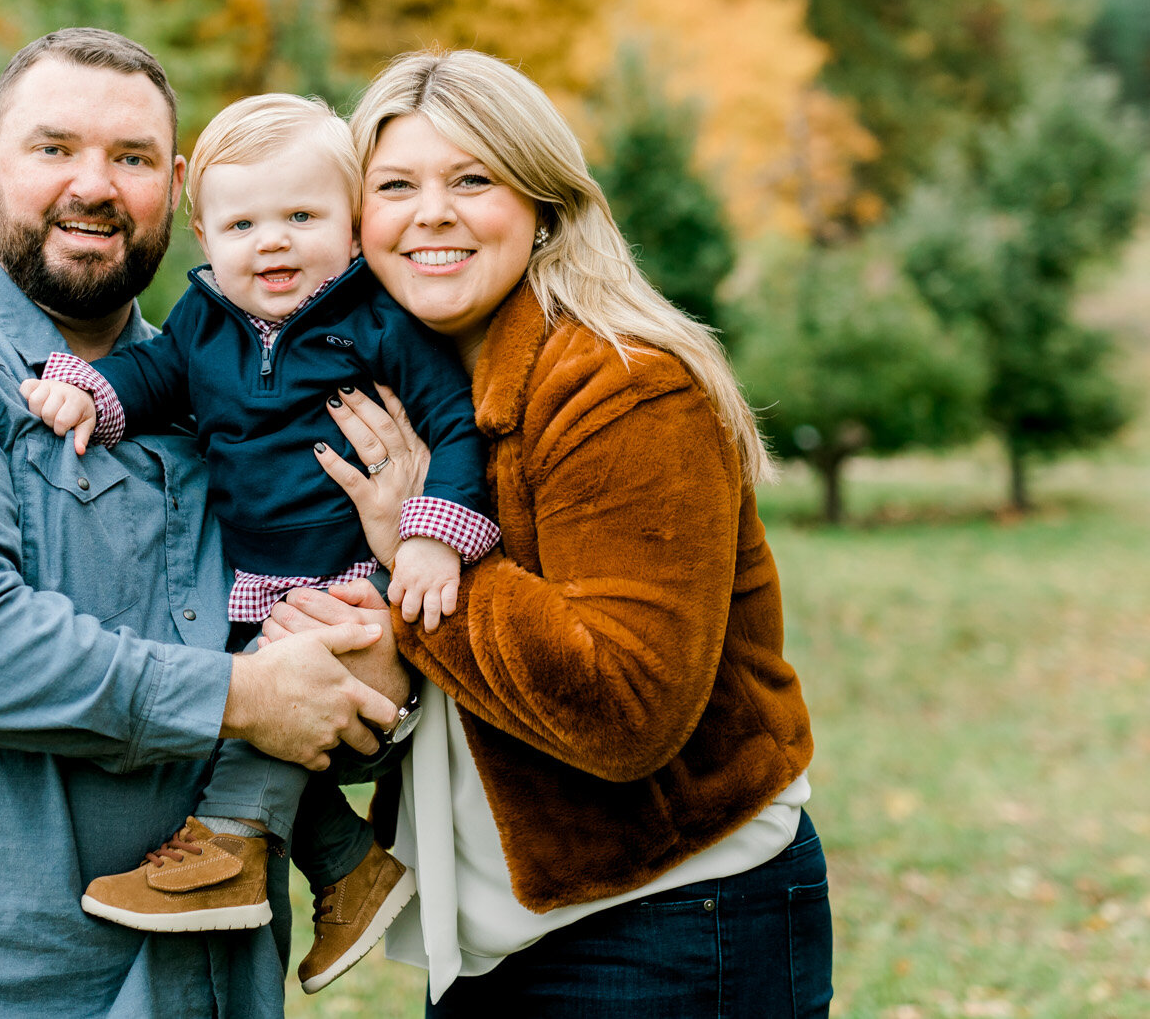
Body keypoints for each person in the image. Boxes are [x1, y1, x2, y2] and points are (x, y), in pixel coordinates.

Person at [0, 28, 409, 1018]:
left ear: (181, 189)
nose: (94, 186)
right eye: (54, 149)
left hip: (211, 983)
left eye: (133, 159)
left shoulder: (234, 394)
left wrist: (384, 592)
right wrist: (243, 696)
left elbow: (320, 714)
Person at [263, 49, 831, 1016]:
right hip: (499, 929)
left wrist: (416, 555)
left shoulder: (620, 384)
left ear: (544, 204)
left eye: (472, 179)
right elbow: (448, 678)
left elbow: (624, 708)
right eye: (396, 185)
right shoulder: (403, 398)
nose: (431, 212)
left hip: (669, 916)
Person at [23, 93, 498, 992]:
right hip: (257, 580)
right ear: (205, 233)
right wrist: (90, 392)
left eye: (302, 216)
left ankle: (226, 855)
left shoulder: (378, 320)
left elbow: (456, 423)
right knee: (245, 712)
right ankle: (350, 868)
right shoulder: (205, 321)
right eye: (243, 222)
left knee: (256, 724)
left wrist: (432, 538)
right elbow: (153, 374)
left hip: (351, 570)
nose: (271, 241)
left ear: (353, 228)